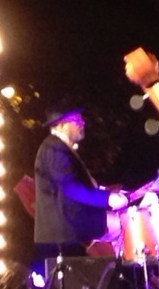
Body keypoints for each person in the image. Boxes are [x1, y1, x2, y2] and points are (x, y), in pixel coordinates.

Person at [32, 107, 128, 270]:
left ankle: (122, 275)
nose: (82, 123)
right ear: (61, 125)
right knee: (123, 225)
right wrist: (107, 199)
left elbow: (71, 184)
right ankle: (127, 277)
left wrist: (106, 192)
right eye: (77, 120)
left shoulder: (58, 147)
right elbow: (69, 187)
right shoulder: (54, 149)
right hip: (64, 228)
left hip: (68, 223)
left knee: (118, 225)